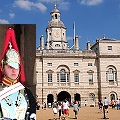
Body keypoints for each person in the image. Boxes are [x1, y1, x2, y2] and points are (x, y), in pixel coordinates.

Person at [0, 28, 36, 119]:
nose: (14, 71)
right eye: (10, 67)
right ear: (2, 68)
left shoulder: (27, 92)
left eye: (16, 67)